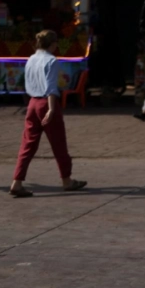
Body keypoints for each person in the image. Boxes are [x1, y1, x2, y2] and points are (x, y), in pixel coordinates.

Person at [8, 29, 87, 197]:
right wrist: (51, 108)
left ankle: (17, 181)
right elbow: (51, 87)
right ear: (52, 44)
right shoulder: (51, 60)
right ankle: (67, 180)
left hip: (32, 103)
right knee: (59, 144)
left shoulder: (31, 59)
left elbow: (27, 83)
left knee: (27, 145)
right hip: (46, 102)